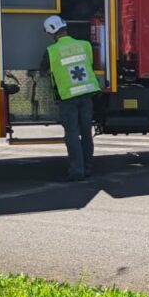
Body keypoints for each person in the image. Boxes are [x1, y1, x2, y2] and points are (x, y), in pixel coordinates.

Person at [43, 15, 99, 181]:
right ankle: (88, 168)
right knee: (86, 134)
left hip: (68, 98)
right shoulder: (85, 45)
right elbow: (89, 63)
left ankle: (77, 171)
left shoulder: (51, 51)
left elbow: (43, 69)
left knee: (72, 134)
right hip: (87, 94)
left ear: (52, 33)